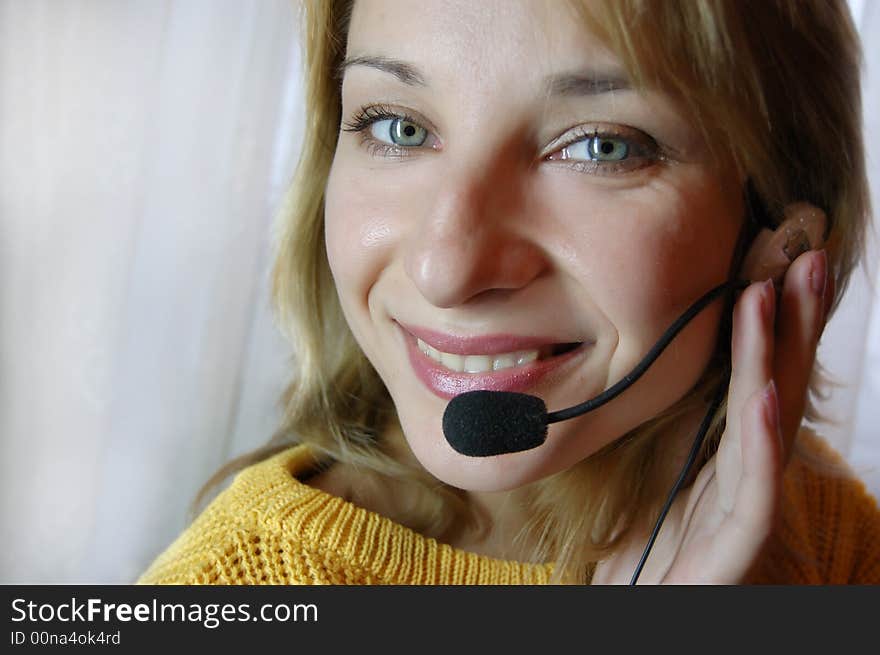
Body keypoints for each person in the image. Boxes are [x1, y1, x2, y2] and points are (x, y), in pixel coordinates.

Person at [138, 0, 880, 585]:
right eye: (397, 127)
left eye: (601, 145)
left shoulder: (830, 536)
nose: (445, 267)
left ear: (780, 229)